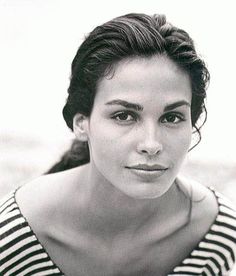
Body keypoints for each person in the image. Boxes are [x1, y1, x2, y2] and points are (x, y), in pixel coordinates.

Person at [0, 13, 236, 276]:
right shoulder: (14, 238)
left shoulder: (215, 234)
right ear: (81, 123)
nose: (151, 144)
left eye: (171, 117)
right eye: (124, 116)